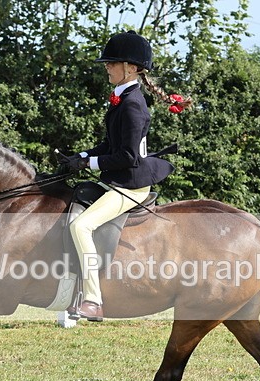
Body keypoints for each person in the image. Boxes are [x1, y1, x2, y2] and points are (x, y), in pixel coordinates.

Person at [64, 30, 192, 321]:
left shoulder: (134, 105)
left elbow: (128, 157)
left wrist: (90, 164)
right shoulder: (122, 99)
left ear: (131, 68)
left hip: (130, 186)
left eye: (112, 62)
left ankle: (94, 301)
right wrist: (82, 157)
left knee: (81, 227)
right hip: (116, 179)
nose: (106, 66)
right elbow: (111, 146)